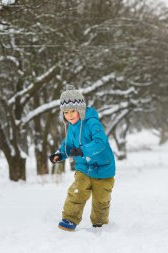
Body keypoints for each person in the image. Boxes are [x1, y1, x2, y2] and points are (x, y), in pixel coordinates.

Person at [49, 85, 116, 232]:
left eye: (73, 111)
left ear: (80, 109)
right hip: (84, 168)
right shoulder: (71, 127)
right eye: (66, 112)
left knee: (101, 199)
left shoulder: (92, 122)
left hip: (103, 168)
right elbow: (68, 146)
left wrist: (83, 150)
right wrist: (60, 154)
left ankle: (100, 224)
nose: (70, 115)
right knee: (77, 191)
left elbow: (100, 142)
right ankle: (69, 219)